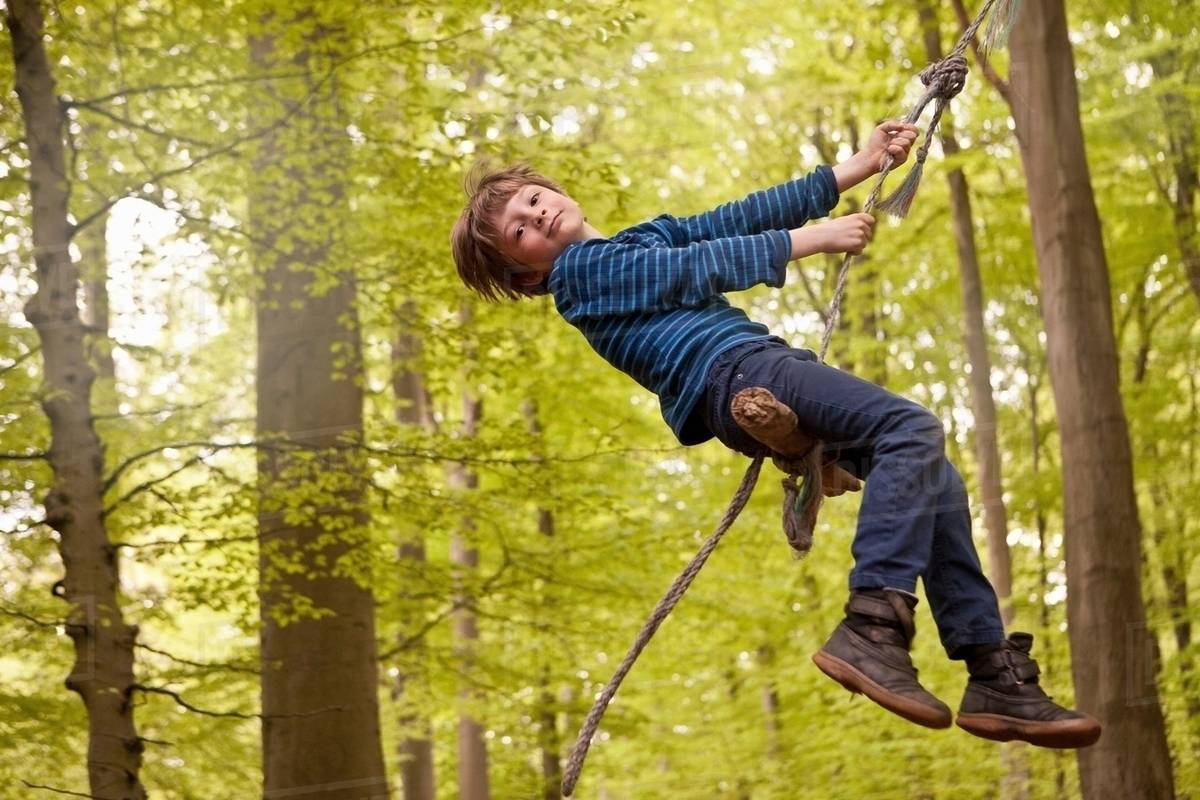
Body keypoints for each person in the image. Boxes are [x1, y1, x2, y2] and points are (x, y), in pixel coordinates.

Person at [448, 121, 1100, 748]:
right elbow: (694, 268)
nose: (537, 218)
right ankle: (873, 623)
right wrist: (812, 240)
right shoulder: (580, 278)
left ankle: (991, 670)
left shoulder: (638, 240)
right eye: (520, 232)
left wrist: (862, 165)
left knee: (932, 473)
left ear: (554, 188)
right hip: (737, 375)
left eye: (534, 201)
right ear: (526, 275)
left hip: (755, 370)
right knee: (910, 426)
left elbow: (738, 217)